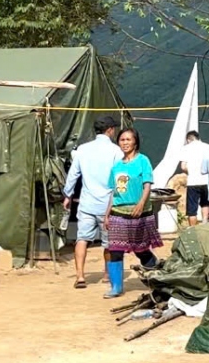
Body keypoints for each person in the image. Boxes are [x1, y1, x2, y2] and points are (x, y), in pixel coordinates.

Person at [63, 115, 123, 290]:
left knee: (82, 238)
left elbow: (73, 174)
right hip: (108, 205)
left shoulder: (82, 149)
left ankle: (80, 276)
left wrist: (68, 195)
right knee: (108, 243)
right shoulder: (116, 151)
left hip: (87, 202)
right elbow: (120, 178)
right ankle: (107, 274)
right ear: (110, 130)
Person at [103, 127, 161, 299]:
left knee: (141, 249)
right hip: (118, 212)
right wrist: (107, 215)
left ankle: (157, 278)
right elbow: (114, 193)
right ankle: (116, 287)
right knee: (115, 249)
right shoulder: (117, 166)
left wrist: (141, 204)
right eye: (122, 140)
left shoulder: (143, 160)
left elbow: (147, 185)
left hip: (139, 212)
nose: (125, 143)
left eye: (128, 139)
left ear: (135, 142)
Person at [179, 131, 209, 226]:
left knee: (192, 209)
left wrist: (190, 172)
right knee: (205, 203)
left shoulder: (186, 148)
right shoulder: (208, 146)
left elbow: (183, 166)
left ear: (189, 139)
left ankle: (192, 230)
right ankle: (205, 223)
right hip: (206, 181)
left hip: (193, 182)